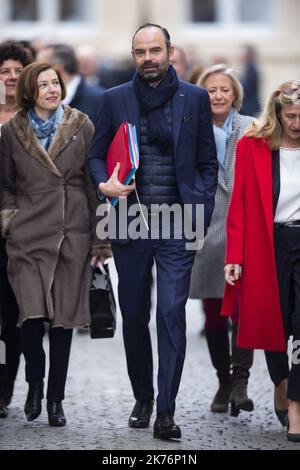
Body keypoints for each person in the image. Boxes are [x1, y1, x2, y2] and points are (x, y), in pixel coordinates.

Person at [88, 23, 218, 440]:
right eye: (140, 52)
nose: (148, 58)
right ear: (133, 56)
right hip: (128, 220)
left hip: (180, 222)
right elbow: (94, 157)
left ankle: (166, 409)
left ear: (169, 51)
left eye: (155, 50)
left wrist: (199, 208)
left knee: (171, 314)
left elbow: (207, 163)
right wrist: (103, 184)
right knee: (135, 316)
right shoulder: (114, 99)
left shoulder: (194, 98)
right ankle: (142, 395)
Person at [1, 62, 111, 426]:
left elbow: (96, 183)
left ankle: (55, 400)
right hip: (28, 235)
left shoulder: (82, 125)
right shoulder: (12, 131)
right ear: (30, 91)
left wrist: (101, 239)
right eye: (44, 84)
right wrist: (10, 220)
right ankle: (35, 383)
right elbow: (6, 184)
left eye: (56, 83)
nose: (52, 89)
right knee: (30, 317)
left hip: (72, 231)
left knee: (63, 320)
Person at [222, 80, 300, 442]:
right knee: (273, 323)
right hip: (267, 244)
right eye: (291, 116)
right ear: (278, 113)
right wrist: (234, 257)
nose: (298, 123)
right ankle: (281, 380)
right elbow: (237, 206)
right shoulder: (252, 145)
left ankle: (295, 400)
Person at [189, 64, 254, 416]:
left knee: (242, 311)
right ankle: (223, 381)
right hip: (205, 231)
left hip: (243, 231)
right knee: (213, 314)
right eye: (211, 90)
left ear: (235, 95)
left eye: (224, 90)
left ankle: (240, 379)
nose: (217, 96)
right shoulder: (192, 129)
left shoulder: (252, 129)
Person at [0, 41, 31, 419]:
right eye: (3, 70)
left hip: (21, 228)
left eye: (16, 70)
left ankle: (5, 383)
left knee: (13, 313)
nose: (10, 77)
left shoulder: (34, 117)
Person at [37, 44, 104, 125]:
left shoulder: (100, 99)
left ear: (58, 67)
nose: (34, 70)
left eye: (40, 66)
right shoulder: (36, 97)